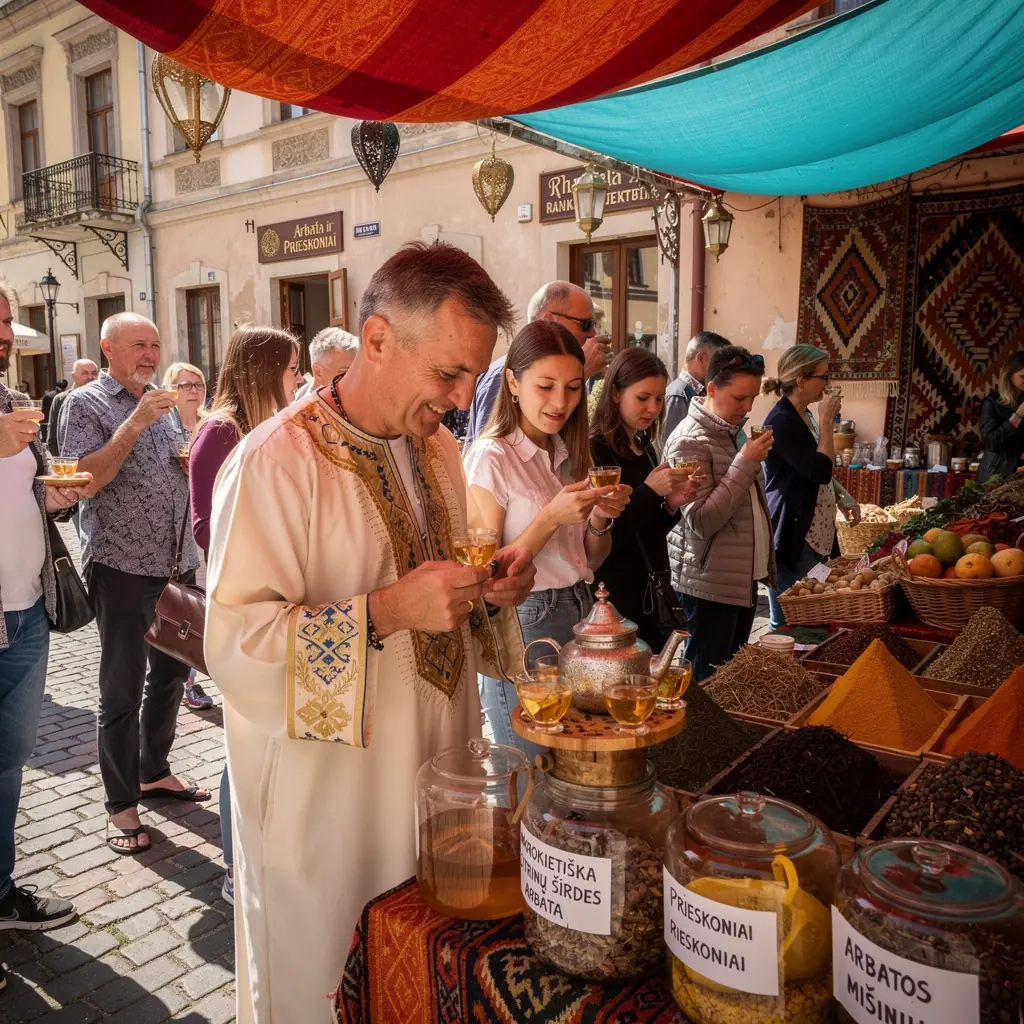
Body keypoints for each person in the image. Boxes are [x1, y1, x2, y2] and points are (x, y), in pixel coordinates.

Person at [205, 241, 536, 1024]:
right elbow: (237, 649)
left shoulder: (441, 451)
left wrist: (489, 593)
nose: (460, 399)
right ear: (378, 339)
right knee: (329, 984)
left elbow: (442, 599)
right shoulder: (273, 464)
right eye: (448, 374)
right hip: (330, 808)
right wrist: (385, 612)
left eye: (472, 377)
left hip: (435, 783)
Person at [59, 313, 209, 856]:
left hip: (174, 561)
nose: (149, 354)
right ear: (108, 349)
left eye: (155, 344)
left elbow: (168, 472)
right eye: (137, 345)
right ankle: (120, 803)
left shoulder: (160, 400)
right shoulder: (86, 404)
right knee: (121, 688)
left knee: (172, 671)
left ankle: (153, 771)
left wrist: (189, 460)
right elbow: (85, 479)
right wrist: (136, 423)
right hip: (120, 564)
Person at [464, 320, 630, 755]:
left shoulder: (567, 454)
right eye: (546, 386)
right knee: (529, 773)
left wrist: (599, 519)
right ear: (513, 383)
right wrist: (551, 517)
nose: (561, 402)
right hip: (526, 620)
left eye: (573, 388)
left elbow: (590, 561)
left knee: (573, 765)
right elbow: (486, 574)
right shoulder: (492, 457)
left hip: (580, 608)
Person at [189, 324, 300, 906]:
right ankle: (235, 867)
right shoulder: (219, 433)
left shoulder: (267, 427)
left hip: (275, 605)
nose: (299, 379)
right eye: (290, 369)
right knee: (244, 739)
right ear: (262, 372)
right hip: (239, 607)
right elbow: (207, 527)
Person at [0, 284, 91, 960]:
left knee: (8, 763)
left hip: (26, 612)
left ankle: (0, 893)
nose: (5, 332)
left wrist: (51, 499)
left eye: (6, 320)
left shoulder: (9, 401)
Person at [665, 345, 776, 682]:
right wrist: (746, 462)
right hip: (707, 585)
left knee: (730, 681)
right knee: (706, 683)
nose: (748, 408)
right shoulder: (689, 441)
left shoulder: (731, 432)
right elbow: (701, 521)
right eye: (740, 398)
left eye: (753, 398)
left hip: (737, 580)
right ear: (711, 389)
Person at [589, 348, 702, 649]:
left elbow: (649, 530)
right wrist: (650, 492)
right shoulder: (596, 449)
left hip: (650, 590)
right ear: (615, 394)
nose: (652, 408)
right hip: (615, 594)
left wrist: (672, 503)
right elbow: (605, 534)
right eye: (643, 398)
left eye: (659, 398)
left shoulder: (645, 446)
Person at [761, 345, 861, 631]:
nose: (827, 385)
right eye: (823, 377)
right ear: (802, 380)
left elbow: (816, 465)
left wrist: (843, 496)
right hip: (795, 533)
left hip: (817, 531)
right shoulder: (782, 421)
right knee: (794, 622)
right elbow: (819, 470)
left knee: (815, 614)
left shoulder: (804, 414)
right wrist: (829, 420)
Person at [465, 281, 612, 445]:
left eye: (572, 387)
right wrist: (583, 370)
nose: (593, 333)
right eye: (586, 324)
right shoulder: (501, 374)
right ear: (549, 320)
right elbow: (491, 448)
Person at [662, 331, 730, 440]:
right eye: (720, 363)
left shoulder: (702, 391)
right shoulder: (678, 396)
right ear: (701, 359)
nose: (724, 370)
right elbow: (673, 447)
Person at [978, 351, 1024, 484]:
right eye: (1023, 376)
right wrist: (1019, 413)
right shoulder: (991, 403)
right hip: (996, 476)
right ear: (1009, 376)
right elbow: (991, 442)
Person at [47, 359, 99, 457]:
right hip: (71, 463)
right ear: (73, 376)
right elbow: (53, 438)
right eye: (85, 373)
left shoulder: (103, 398)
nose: (90, 377)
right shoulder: (61, 399)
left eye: (94, 373)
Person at [294, 326, 359, 400]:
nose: (355, 381)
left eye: (357, 372)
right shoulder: (303, 408)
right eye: (345, 373)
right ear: (318, 372)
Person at [162, 361, 207, 440]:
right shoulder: (163, 427)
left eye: (199, 385)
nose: (194, 391)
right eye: (186, 385)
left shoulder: (212, 424)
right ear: (172, 390)